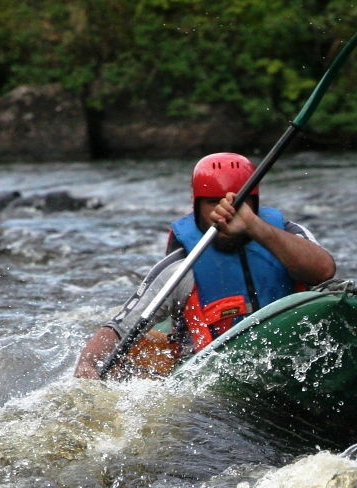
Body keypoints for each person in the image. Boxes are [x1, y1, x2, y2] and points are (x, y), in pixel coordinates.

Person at [74, 152, 336, 379]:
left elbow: (324, 272)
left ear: (254, 203)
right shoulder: (179, 268)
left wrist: (254, 226)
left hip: (295, 358)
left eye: (238, 202)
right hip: (215, 374)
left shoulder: (288, 238)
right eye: (213, 202)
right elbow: (119, 328)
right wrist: (88, 363)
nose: (226, 211)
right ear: (196, 205)